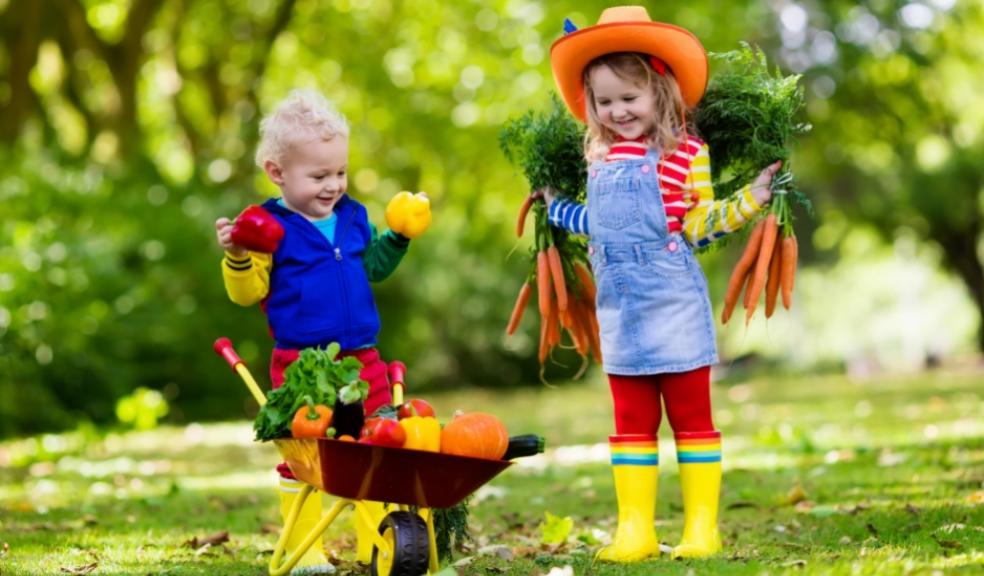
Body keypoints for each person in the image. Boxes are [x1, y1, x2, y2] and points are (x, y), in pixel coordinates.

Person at [543, 6, 782, 562]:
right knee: (631, 421)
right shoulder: (598, 157)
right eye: (605, 101)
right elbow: (596, 224)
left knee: (690, 416)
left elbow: (698, 224)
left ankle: (701, 529)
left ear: (659, 91)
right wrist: (554, 206)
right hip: (619, 310)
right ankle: (636, 531)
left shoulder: (686, 154)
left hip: (672, 301)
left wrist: (750, 200)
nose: (618, 111)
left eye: (630, 97)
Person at [215, 89, 429, 574]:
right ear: (277, 172)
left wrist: (399, 236)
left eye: (340, 172)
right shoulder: (267, 226)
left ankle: (377, 545)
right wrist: (238, 255)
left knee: (378, 447)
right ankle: (305, 549)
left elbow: (374, 267)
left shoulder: (353, 216)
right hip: (302, 365)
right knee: (304, 455)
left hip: (364, 358)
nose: (333, 185)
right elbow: (247, 293)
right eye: (319, 176)